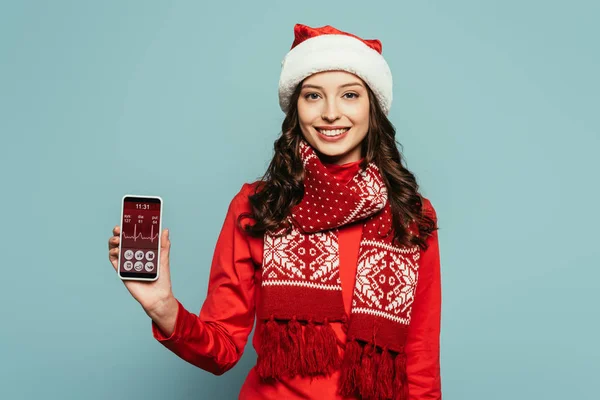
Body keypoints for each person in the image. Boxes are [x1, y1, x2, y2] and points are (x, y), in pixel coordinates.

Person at [108, 23, 442, 400]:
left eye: (349, 95)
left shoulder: (409, 214)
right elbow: (221, 350)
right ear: (295, 108)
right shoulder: (259, 207)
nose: (331, 113)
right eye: (313, 96)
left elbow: (420, 364)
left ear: (373, 107)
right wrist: (163, 307)